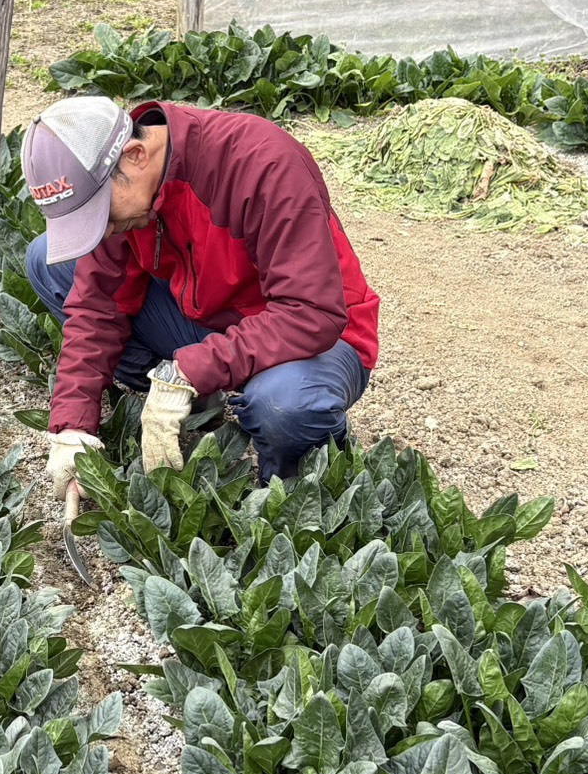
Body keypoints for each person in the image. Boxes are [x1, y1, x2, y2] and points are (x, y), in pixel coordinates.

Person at [22, 95, 381, 497]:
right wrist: (73, 426)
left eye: (98, 213)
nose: (101, 230)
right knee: (48, 262)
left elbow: (313, 313)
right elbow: (97, 307)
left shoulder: (261, 162)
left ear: (135, 154)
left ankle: (297, 479)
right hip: (208, 319)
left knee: (285, 407)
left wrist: (188, 370)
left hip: (316, 336)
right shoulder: (128, 193)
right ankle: (200, 401)